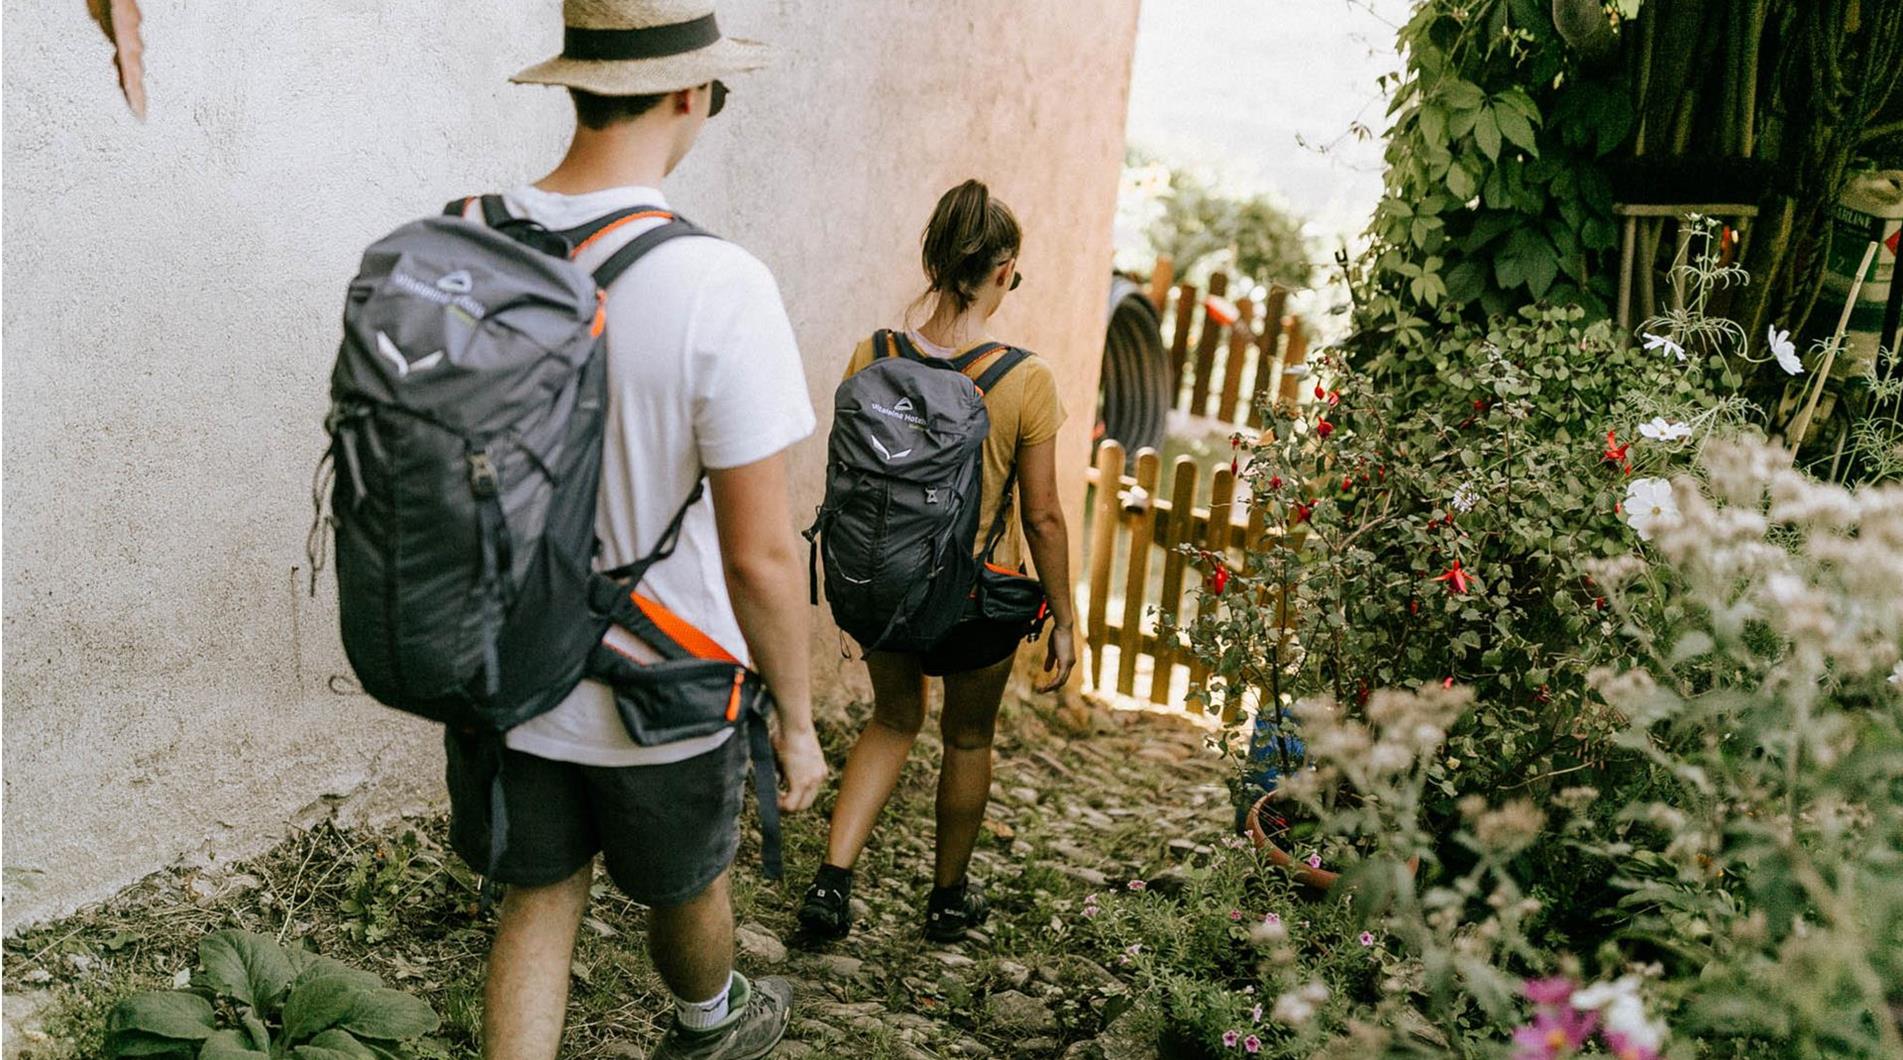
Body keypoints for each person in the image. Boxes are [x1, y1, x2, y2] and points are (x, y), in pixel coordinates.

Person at [440, 3, 827, 1057]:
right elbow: (759, 552)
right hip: (667, 681)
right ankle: (710, 1021)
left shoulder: (467, 238)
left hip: (510, 665)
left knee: (539, 899)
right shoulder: (721, 287)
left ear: (576, 83)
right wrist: (795, 723)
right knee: (688, 883)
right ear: (691, 92)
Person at [799, 180, 1079, 943]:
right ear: (1002, 270)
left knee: (891, 719)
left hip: (882, 582)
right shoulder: (1025, 379)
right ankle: (947, 898)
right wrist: (1065, 620)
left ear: (931, 259)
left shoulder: (873, 353)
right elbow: (1043, 514)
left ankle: (832, 882)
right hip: (975, 599)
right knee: (966, 738)